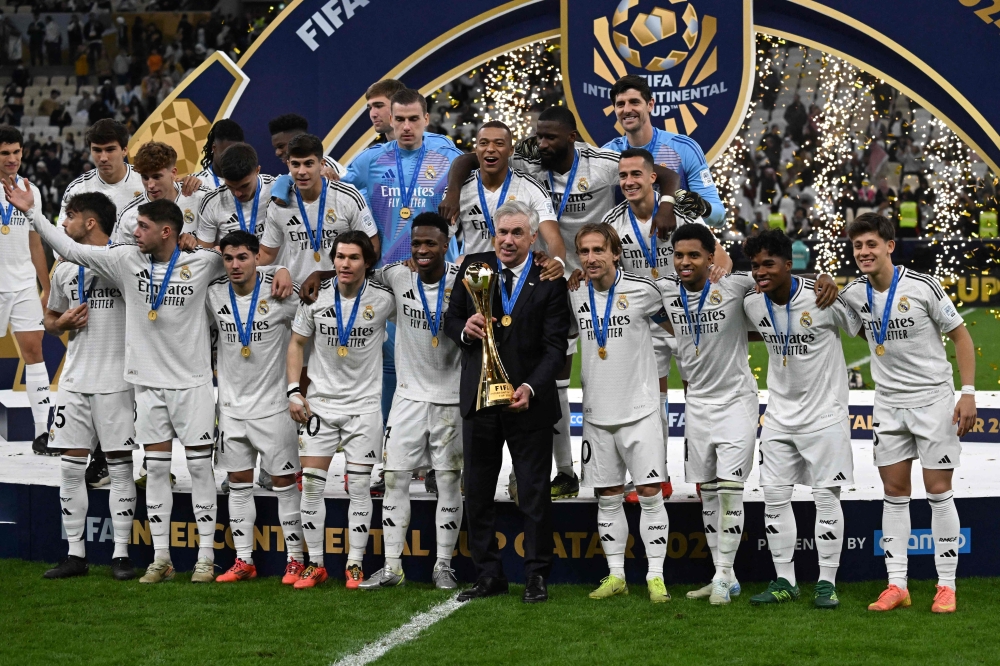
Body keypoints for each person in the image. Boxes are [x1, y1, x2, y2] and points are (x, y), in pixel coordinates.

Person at [11, 187, 293, 585]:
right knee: (157, 472)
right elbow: (72, 252)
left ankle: (206, 559)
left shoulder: (204, 262)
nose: (134, 231)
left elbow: (242, 264)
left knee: (199, 472)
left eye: (143, 226)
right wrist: (33, 215)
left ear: (166, 231)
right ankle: (161, 559)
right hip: (146, 385)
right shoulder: (126, 259)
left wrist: (277, 271)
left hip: (193, 384)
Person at [839, 213, 977, 614]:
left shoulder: (922, 286)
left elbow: (961, 336)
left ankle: (946, 585)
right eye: (858, 246)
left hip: (934, 400)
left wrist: (967, 393)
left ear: (889, 247)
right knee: (895, 494)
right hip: (888, 404)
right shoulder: (854, 294)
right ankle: (896, 584)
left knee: (938, 491)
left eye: (871, 245)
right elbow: (849, 325)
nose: (864, 252)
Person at [443, 200, 570, 603]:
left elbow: (555, 347)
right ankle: (488, 576)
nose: (508, 240)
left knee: (533, 493)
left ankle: (536, 576)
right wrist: (465, 330)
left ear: (534, 238)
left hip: (527, 402)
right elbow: (450, 319)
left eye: (517, 233)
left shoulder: (548, 277)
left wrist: (530, 387)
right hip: (480, 399)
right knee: (478, 492)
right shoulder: (474, 268)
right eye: (503, 232)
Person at [600, 148, 732, 503]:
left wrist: (718, 275)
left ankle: (706, 474)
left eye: (635, 175)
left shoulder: (681, 213)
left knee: (699, 398)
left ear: (652, 178)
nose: (628, 182)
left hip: (688, 320)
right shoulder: (613, 221)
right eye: (623, 176)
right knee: (650, 402)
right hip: (646, 324)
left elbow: (722, 258)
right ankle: (657, 476)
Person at [742, 230, 861, 609]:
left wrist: (832, 283)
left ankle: (827, 582)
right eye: (755, 265)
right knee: (774, 499)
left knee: (826, 498)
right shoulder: (752, 304)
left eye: (768, 264)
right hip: (778, 416)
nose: (760, 272)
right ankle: (785, 580)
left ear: (789, 264)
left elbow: (859, 325)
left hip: (825, 416)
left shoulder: (820, 297)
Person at [340, 88, 463, 428]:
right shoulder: (370, 161)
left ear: (426, 119)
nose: (407, 127)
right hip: (388, 278)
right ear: (390, 121)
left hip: (438, 277)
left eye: (414, 119)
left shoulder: (447, 158)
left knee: (443, 358)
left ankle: (441, 451)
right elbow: (338, 194)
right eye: (400, 119)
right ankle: (391, 440)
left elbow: (478, 164)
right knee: (391, 364)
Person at [568, 223, 671, 603]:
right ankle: (616, 575)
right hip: (596, 413)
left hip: (640, 411)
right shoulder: (574, 291)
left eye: (598, 250)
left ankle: (656, 576)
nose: (591, 258)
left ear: (615, 253)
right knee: (608, 497)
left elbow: (677, 325)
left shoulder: (644, 291)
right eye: (584, 251)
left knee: (649, 493)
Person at [359, 213, 463, 591]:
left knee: (450, 483)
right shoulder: (396, 275)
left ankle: (444, 566)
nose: (421, 250)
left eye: (429, 243)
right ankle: (391, 568)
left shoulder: (463, 282)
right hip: (406, 399)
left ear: (445, 244)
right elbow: (358, 272)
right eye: (416, 243)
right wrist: (319, 277)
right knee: (394, 479)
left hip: (451, 400)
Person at [286, 231, 394, 590]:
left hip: (363, 408)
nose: (345, 264)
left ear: (367, 263)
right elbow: (297, 344)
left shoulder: (383, 298)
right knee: (312, 488)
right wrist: (293, 392)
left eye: (353, 258)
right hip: (320, 405)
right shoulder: (313, 298)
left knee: (359, 488)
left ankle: (354, 564)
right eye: (340, 257)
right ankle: (315, 563)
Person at [41, 193, 136, 581]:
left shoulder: (123, 264)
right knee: (70, 468)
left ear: (91, 223)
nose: (64, 224)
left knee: (120, 469)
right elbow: (48, 318)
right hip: (76, 381)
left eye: (70, 217)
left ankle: (121, 556)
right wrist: (61, 322)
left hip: (117, 382)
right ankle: (75, 554)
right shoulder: (64, 270)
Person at [206, 230, 304, 584]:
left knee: (283, 483)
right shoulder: (213, 294)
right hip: (231, 408)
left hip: (274, 408)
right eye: (228, 258)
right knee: (238, 483)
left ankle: (295, 558)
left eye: (242, 257)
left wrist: (285, 270)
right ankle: (243, 560)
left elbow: (308, 325)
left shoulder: (280, 292)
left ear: (257, 258)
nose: (235, 265)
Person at [602, 76, 724, 228]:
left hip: (677, 246)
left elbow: (719, 217)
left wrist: (704, 208)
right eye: (620, 104)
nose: (627, 110)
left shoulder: (684, 148)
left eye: (634, 102)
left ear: (650, 104)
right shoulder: (607, 154)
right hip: (628, 248)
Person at [0, 126, 54, 457]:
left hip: (22, 284)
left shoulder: (30, 189)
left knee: (34, 352)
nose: (12, 159)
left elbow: (35, 241)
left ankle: (42, 433)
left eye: (16, 152)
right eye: (5, 153)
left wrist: (46, 286)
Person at [259, 133, 379, 281]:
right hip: (299, 294)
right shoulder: (278, 205)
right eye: (296, 164)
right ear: (288, 164)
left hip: (342, 290)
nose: (302, 172)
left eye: (309, 164)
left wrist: (330, 276)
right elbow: (267, 253)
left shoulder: (348, 196)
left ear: (322, 164)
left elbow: (372, 248)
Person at [456, 121, 563, 263]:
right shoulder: (461, 190)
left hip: (519, 276)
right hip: (476, 277)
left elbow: (553, 237)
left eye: (499, 143)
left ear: (511, 150)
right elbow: (439, 235)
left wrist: (558, 261)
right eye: (484, 143)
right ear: (476, 149)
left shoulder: (530, 188)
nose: (490, 149)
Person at [114, 141, 211, 244]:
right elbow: (124, 258)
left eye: (156, 177)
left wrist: (197, 247)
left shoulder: (201, 197)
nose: (150, 185)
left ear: (173, 173)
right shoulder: (129, 214)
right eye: (145, 177)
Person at [58, 119, 144, 227]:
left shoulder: (147, 181)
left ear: (124, 150)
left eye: (110, 150)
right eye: (97, 150)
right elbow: (63, 237)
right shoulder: (78, 189)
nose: (103, 158)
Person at [192, 143, 274, 246]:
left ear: (257, 170)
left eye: (244, 186)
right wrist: (216, 253)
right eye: (230, 186)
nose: (237, 193)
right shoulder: (212, 202)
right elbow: (204, 254)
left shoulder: (275, 189)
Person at [266, 113, 344, 178]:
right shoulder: (289, 177)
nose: (277, 152)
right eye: (276, 148)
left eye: (281, 146)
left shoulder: (326, 165)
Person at [193, 118, 244, 188]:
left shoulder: (252, 183)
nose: (233, 160)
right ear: (214, 147)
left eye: (237, 154)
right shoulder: (194, 184)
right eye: (227, 154)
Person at [363, 78, 407, 144]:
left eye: (379, 106)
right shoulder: (375, 153)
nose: (372, 115)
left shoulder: (427, 148)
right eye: (370, 108)